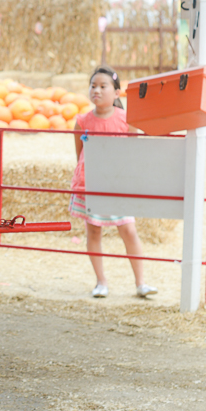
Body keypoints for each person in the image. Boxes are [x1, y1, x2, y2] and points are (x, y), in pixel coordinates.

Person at [70, 66, 157, 299]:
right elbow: (80, 152)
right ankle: (101, 282)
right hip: (91, 185)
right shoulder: (82, 121)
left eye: (103, 86)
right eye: (93, 85)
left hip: (117, 186)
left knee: (128, 230)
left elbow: (133, 152)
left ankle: (141, 283)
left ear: (117, 93)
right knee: (93, 231)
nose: (96, 90)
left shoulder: (126, 120)